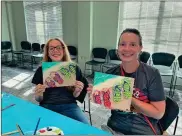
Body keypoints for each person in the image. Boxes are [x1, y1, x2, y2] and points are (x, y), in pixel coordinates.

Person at [87, 28, 166, 134]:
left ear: (140, 48)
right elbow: (108, 103)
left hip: (143, 130)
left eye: (133, 44)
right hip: (115, 127)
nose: (127, 49)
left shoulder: (152, 74)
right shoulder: (111, 73)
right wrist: (98, 94)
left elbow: (158, 113)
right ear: (118, 48)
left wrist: (128, 97)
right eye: (122, 44)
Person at [32, 38, 89, 124]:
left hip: (70, 106)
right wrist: (38, 94)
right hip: (47, 106)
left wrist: (77, 91)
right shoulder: (41, 70)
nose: (55, 51)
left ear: (63, 49)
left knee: (85, 129)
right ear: (47, 52)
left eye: (58, 47)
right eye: (51, 48)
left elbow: (76, 96)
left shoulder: (73, 68)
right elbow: (39, 99)